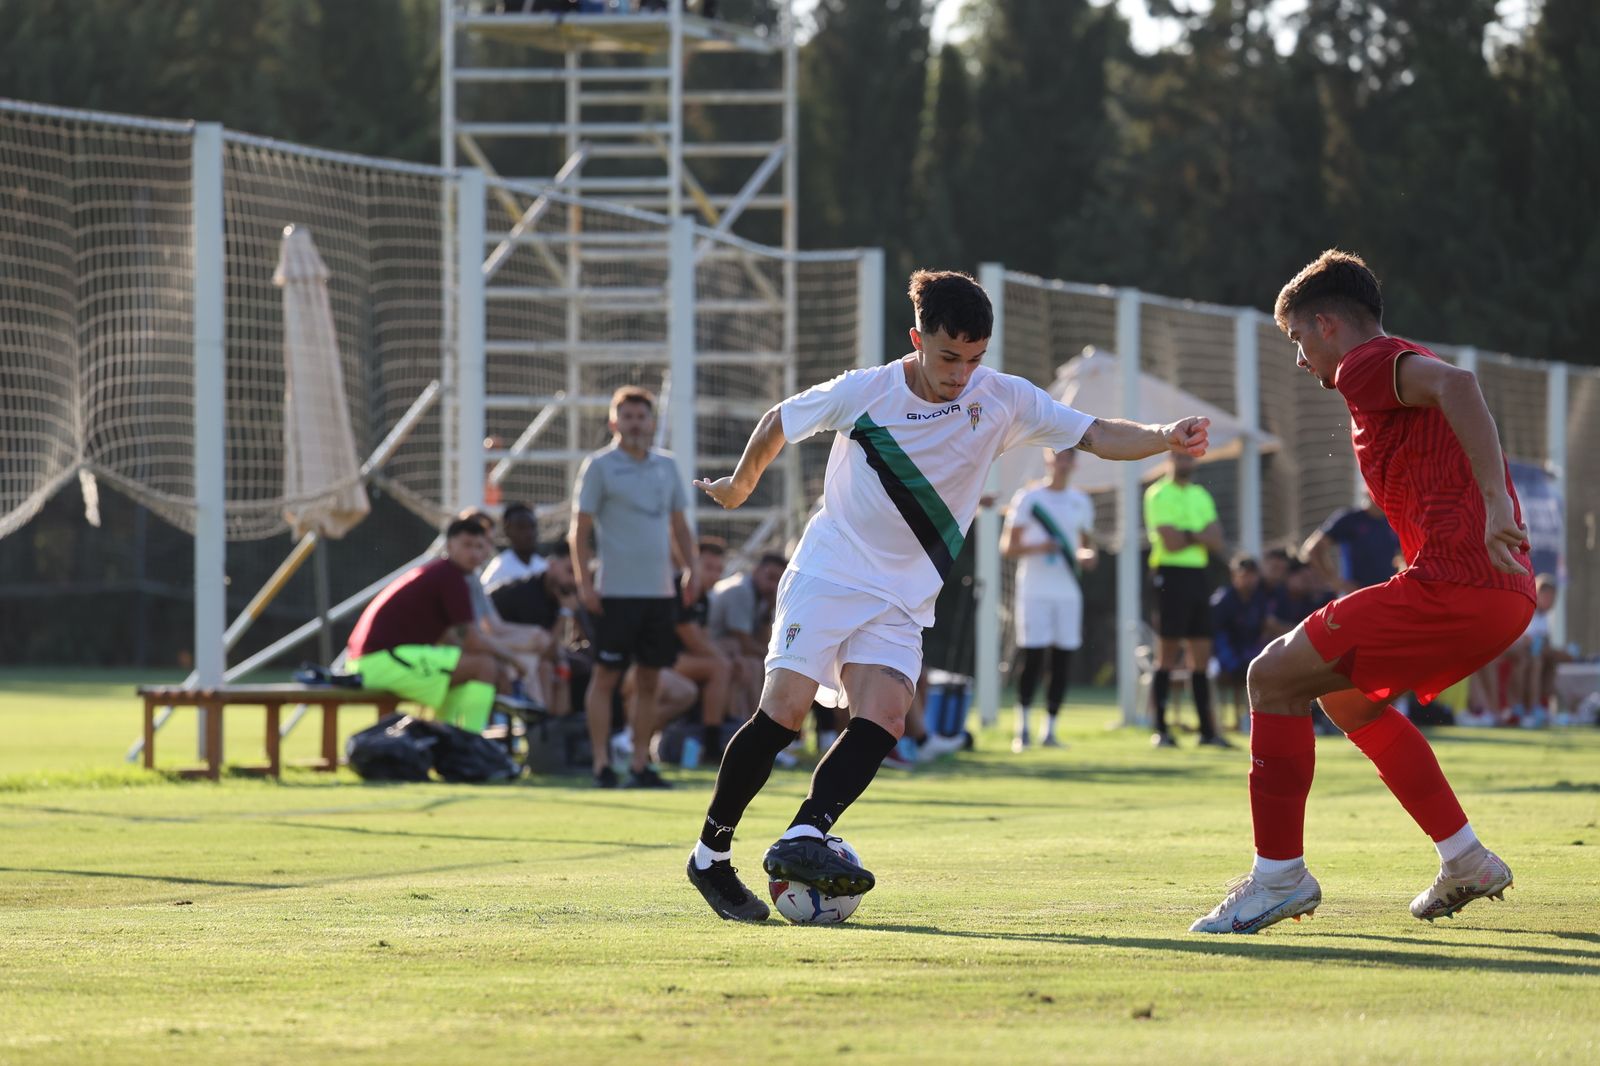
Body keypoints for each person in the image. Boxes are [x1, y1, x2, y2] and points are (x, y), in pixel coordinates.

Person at [683, 268, 1212, 921]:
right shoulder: (867, 391)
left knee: (886, 714)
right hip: (832, 569)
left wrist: (1164, 437)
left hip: (905, 593)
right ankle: (710, 856)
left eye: (975, 359)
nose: (962, 374)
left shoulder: (1004, 398)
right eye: (948, 357)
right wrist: (739, 485)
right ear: (917, 338)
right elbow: (777, 421)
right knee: (785, 710)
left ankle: (806, 832)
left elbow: (1096, 433)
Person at [1191, 250, 1535, 935]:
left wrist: (1497, 503)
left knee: (1270, 675)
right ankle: (1464, 857)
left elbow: (1461, 386)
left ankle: (1278, 876)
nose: (1299, 360)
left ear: (1327, 325)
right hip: (1498, 592)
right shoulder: (1391, 364)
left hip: (1459, 584)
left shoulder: (1364, 362)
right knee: (1344, 696)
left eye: (1296, 340)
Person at [570, 385, 698, 789]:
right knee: (607, 677)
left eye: (641, 416)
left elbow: (679, 524)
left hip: (658, 593)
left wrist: (692, 568)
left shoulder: (667, 465)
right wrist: (584, 584)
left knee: (649, 680)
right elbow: (580, 530)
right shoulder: (599, 466)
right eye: (627, 416)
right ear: (613, 422)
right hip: (615, 593)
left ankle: (642, 763)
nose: (635, 423)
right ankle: (602, 764)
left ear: (651, 421)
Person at [346, 517, 520, 733]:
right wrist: (512, 659)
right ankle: (471, 744)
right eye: (467, 545)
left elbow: (451, 639)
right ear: (449, 546)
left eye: (479, 546)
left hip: (377, 661)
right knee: (484, 666)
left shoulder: (445, 575)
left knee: (469, 669)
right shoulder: (450, 576)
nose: (473, 553)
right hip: (378, 662)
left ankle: (444, 740)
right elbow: (472, 640)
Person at [1001, 446, 1097, 751]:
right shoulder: (1029, 498)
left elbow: (1086, 547)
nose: (1063, 461)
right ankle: (1023, 729)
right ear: (1047, 458)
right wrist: (1041, 548)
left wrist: (1086, 557)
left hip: (1068, 592)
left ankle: (1050, 730)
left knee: (1063, 659)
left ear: (1075, 463)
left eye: (1069, 455)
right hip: (1034, 590)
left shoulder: (1081, 501)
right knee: (1033, 656)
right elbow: (1008, 547)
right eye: (1058, 454)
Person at [1144, 452, 1231, 748]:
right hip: (1170, 576)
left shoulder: (1200, 495)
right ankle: (1161, 729)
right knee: (1167, 653)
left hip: (1198, 576)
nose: (1185, 462)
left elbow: (1217, 539)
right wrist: (1199, 535)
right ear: (1170, 459)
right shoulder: (1158, 494)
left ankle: (1207, 731)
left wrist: (1189, 535)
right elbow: (1170, 541)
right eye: (1179, 457)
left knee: (1201, 655)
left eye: (1189, 458)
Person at [1210, 554, 1269, 729]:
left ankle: (1254, 720)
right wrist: (1235, 661)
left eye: (1253, 575)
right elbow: (1217, 637)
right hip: (1222, 656)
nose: (1249, 580)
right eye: (1244, 575)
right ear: (1235, 576)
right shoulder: (1223, 600)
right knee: (1236, 669)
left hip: (1249, 653)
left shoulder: (1259, 599)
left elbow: (1261, 631)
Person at [1301, 495, 1399, 595]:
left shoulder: (1393, 522)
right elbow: (1312, 550)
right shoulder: (1350, 520)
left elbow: (1403, 558)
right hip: (1355, 599)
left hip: (1385, 598)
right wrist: (1336, 582)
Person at [481, 502, 546, 594]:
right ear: (507, 531)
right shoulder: (498, 570)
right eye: (521, 527)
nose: (529, 533)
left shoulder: (544, 567)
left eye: (532, 526)